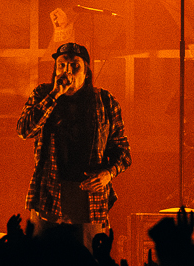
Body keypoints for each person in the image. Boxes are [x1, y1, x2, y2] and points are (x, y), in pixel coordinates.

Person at [17, 41, 129, 246]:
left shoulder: (105, 101)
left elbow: (123, 151)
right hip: (50, 194)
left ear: (86, 72)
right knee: (43, 265)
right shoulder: (43, 94)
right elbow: (24, 130)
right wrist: (54, 94)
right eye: (61, 65)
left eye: (75, 65)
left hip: (89, 198)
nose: (67, 71)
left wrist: (108, 173)